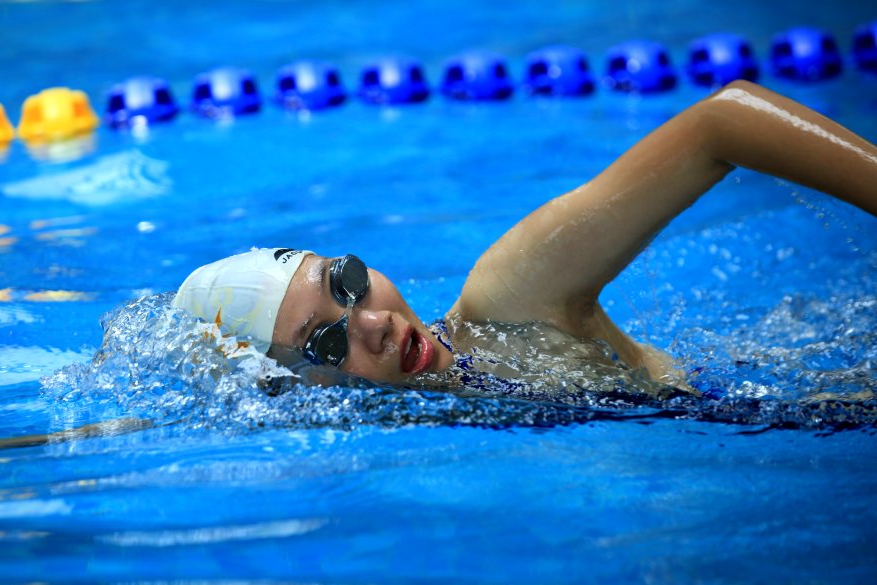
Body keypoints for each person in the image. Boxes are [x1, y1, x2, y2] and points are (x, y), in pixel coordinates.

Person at [173, 80, 877, 394]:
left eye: (347, 283)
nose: (377, 324)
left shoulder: (509, 299)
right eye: (328, 342)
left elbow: (724, 122)